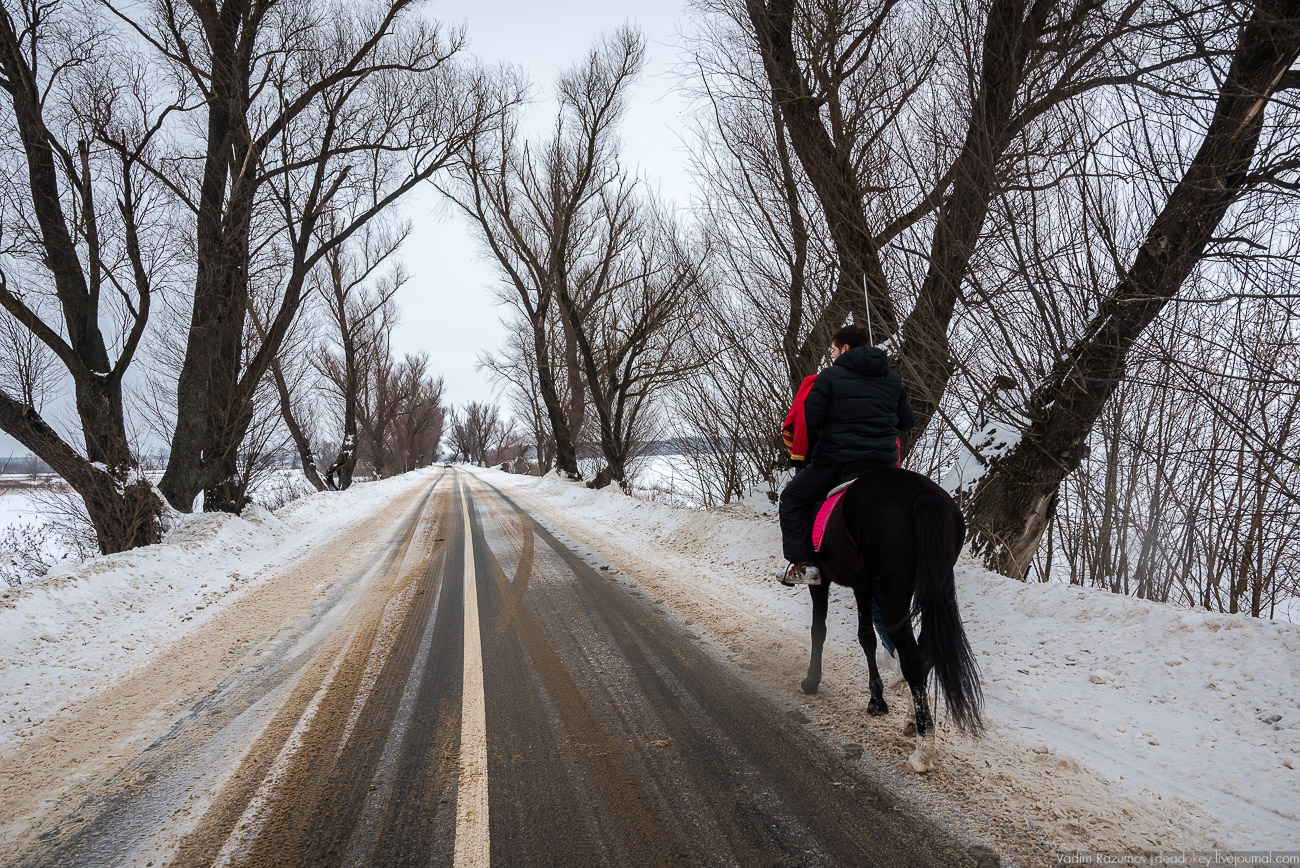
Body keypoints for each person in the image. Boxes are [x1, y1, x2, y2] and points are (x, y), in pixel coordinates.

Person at [778, 324, 915, 586]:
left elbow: (812, 420)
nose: (831, 356)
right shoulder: (893, 379)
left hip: (838, 463)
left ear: (845, 348)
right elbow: (907, 422)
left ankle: (805, 565)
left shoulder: (828, 378)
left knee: (792, 499)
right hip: (883, 466)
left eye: (832, 350)